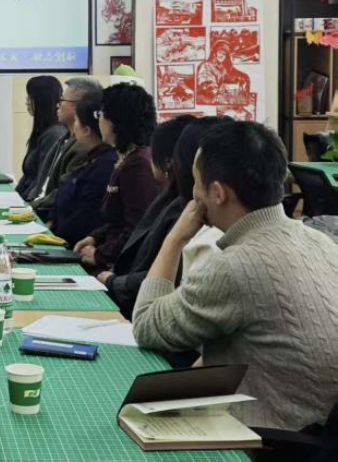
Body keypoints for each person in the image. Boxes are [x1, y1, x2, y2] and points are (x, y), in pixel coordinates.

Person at [132, 121, 338, 431]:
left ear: (217, 193)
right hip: (316, 430)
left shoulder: (234, 266)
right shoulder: (320, 241)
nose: (193, 194)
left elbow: (146, 325)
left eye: (196, 183)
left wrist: (174, 239)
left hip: (269, 437)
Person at [98, 115, 195, 319]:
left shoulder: (185, 210)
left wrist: (114, 281)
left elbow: (166, 273)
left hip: (139, 303)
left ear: (167, 162)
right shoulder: (169, 198)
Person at [75, 83, 160, 270]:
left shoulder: (137, 165)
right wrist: (95, 238)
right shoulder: (128, 156)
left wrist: (100, 255)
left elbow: (137, 228)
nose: (99, 120)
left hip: (119, 268)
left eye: (101, 114)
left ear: (115, 120)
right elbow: (118, 220)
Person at [30, 77, 104, 222]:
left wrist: (30, 207)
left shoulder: (84, 148)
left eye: (62, 100)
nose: (57, 105)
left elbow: (63, 194)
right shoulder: (64, 139)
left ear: (78, 106)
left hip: (48, 216)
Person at [50, 91, 117, 246]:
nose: (74, 128)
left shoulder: (105, 166)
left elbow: (84, 219)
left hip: (73, 245)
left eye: (76, 122)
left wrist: (54, 235)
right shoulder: (90, 158)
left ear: (87, 130)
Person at [16, 75, 64, 201]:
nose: (27, 102)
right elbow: (28, 177)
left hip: (34, 205)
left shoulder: (54, 134)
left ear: (41, 101)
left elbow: (42, 184)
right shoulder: (42, 131)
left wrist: (23, 204)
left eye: (30, 98)